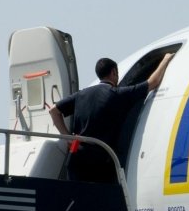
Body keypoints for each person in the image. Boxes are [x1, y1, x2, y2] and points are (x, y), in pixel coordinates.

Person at [47, 52, 174, 183]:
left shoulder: (81, 95)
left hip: (76, 159)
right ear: (114, 72)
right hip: (99, 162)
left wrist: (68, 138)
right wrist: (166, 59)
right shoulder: (117, 95)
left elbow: (53, 111)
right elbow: (152, 82)